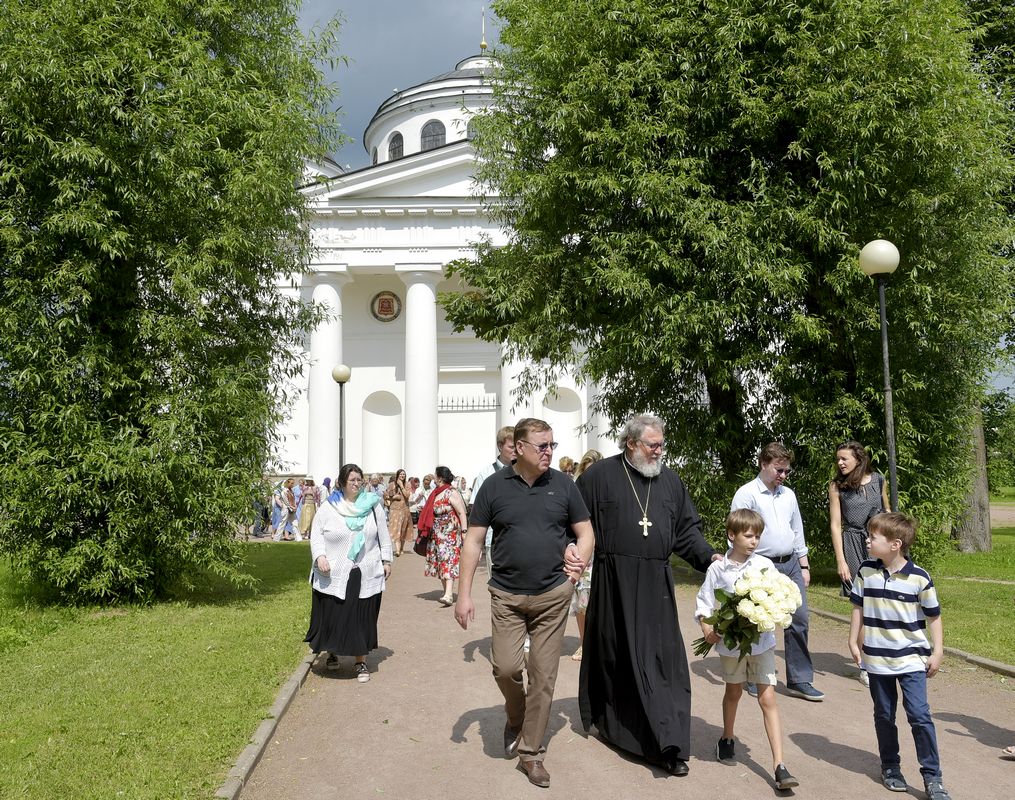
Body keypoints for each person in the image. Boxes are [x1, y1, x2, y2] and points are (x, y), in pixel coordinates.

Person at [455, 418, 594, 788]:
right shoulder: (493, 486)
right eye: (542, 446)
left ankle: (531, 753)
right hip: (506, 595)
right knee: (504, 668)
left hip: (553, 595)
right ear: (518, 448)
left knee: (544, 677)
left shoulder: (564, 485)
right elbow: (473, 540)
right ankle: (516, 718)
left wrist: (576, 567)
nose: (550, 452)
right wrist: (463, 593)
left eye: (552, 445)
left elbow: (586, 531)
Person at [576, 414, 718, 776]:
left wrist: (710, 557)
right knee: (616, 657)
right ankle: (615, 726)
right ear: (631, 444)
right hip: (613, 584)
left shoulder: (670, 482)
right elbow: (572, 523)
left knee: (663, 662)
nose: (659, 451)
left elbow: (687, 532)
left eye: (661, 444)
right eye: (652, 445)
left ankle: (667, 743)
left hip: (656, 584)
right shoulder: (598, 477)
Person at [848, 512, 951, 800]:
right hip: (877, 659)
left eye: (874, 536)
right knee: (884, 714)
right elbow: (857, 607)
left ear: (895, 544)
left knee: (919, 714)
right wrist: (853, 640)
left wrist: (938, 650)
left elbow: (934, 617)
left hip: (911, 658)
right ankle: (890, 766)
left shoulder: (919, 578)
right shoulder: (866, 571)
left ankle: (933, 777)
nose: (868, 540)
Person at [695, 509, 799, 790]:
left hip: (762, 642)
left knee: (768, 699)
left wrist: (775, 610)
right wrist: (707, 629)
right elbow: (705, 601)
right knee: (734, 691)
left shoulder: (764, 565)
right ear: (732, 535)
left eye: (758, 536)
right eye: (749, 535)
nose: (754, 541)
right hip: (731, 643)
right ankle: (727, 737)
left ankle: (780, 765)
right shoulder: (718, 569)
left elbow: (776, 594)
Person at [731, 442, 823, 701]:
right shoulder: (747, 494)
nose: (783, 476)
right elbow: (736, 533)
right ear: (763, 464)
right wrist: (741, 567)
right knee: (758, 621)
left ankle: (800, 679)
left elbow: (797, 530)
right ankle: (753, 675)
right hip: (760, 564)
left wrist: (804, 565)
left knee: (800, 618)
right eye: (779, 470)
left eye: (787, 472)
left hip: (791, 563)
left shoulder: (788, 495)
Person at [305, 464, 392, 683]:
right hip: (334, 571)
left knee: (361, 617)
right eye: (352, 480)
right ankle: (332, 652)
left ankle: (360, 661)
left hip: (365, 569)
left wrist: (386, 559)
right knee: (334, 615)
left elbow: (383, 534)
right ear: (342, 483)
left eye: (359, 479)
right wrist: (320, 556)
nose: (356, 483)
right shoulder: (329, 507)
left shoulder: (373, 506)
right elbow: (316, 535)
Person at [569, 448, 602, 661]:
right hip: (585, 555)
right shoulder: (576, 493)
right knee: (582, 602)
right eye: (589, 471)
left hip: (605, 554)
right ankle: (584, 643)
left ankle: (601, 643)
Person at [419, 466, 469, 606]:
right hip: (436, 535)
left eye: (435, 475)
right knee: (440, 563)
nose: (433, 477)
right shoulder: (435, 493)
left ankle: (448, 594)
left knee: (448, 562)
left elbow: (461, 513)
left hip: (450, 535)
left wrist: (464, 532)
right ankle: (447, 593)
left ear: (440, 477)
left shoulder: (451, 492)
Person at [470, 425, 516, 571]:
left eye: (518, 446)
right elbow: (475, 510)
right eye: (511, 447)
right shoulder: (486, 474)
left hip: (521, 539)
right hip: (495, 540)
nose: (516, 451)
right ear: (500, 446)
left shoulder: (526, 472)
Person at [384, 468, 413, 557]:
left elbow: (407, 496)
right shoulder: (391, 484)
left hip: (404, 510)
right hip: (394, 510)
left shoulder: (407, 484)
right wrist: (393, 497)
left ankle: (401, 548)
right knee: (396, 529)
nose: (402, 476)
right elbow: (386, 496)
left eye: (403, 474)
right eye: (400, 474)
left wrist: (401, 486)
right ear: (397, 475)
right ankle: (397, 550)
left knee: (403, 529)